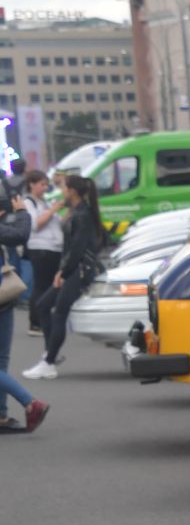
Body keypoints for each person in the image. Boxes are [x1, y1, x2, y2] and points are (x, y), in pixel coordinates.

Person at [22, 174, 102, 380]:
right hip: (73, 268)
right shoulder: (77, 211)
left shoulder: (81, 214)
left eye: (64, 187)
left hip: (79, 270)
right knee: (42, 305)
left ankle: (49, 361)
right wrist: (63, 270)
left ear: (73, 191)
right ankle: (49, 354)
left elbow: (77, 248)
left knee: (59, 312)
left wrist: (64, 272)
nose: (61, 191)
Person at [0, 188, 48, 432]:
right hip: (5, 296)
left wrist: (18, 213)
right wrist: (21, 212)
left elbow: (18, 234)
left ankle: (30, 403)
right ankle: (1, 416)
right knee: (1, 360)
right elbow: (20, 233)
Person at [21, 170, 63, 334]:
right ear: (32, 184)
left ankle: (44, 319)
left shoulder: (43, 202)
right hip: (40, 248)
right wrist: (52, 210)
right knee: (41, 285)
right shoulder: (28, 202)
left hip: (53, 247)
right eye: (41, 184)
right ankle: (36, 322)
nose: (45, 188)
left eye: (46, 184)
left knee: (49, 285)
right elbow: (36, 224)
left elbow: (55, 221)